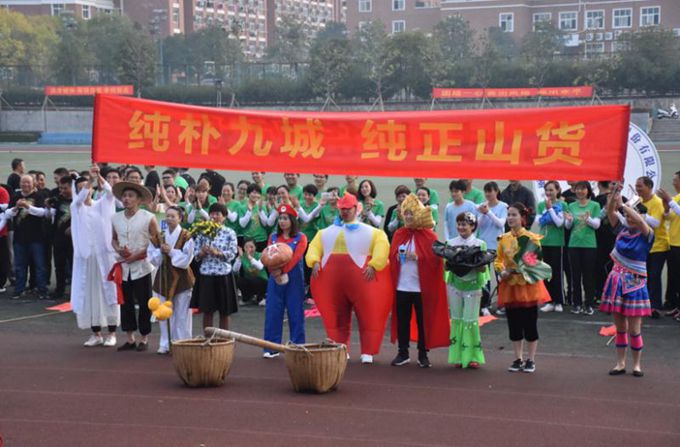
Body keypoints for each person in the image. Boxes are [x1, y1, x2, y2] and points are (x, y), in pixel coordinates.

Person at [306, 193, 392, 364]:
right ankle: (340, 348)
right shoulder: (325, 232)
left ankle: (368, 351)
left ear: (356, 209)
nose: (345, 212)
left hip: (363, 280)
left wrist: (374, 264)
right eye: (342, 209)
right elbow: (314, 247)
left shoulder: (373, 232)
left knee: (369, 314)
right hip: (334, 281)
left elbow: (382, 246)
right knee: (337, 316)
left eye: (348, 209)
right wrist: (314, 260)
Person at [389, 194, 449, 368]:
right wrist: (396, 257)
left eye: (411, 213)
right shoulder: (399, 234)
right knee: (402, 320)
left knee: (424, 321)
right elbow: (392, 256)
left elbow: (436, 261)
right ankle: (403, 352)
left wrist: (418, 257)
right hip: (402, 286)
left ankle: (423, 353)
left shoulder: (430, 236)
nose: (408, 217)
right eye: (406, 213)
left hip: (422, 288)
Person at [600, 183, 653, 377]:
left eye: (632, 215)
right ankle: (620, 363)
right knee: (620, 328)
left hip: (635, 284)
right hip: (616, 282)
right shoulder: (622, 231)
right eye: (627, 216)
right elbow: (610, 212)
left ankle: (637, 365)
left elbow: (638, 219)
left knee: (634, 329)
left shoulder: (647, 235)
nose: (629, 218)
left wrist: (624, 205)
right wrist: (614, 194)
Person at [495, 202, 551, 373]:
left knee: (530, 323)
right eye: (509, 215)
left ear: (522, 217)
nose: (510, 218)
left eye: (514, 215)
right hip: (510, 286)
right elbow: (498, 259)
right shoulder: (503, 238)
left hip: (528, 287)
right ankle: (517, 358)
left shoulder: (532, 238)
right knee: (514, 324)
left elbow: (536, 261)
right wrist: (502, 270)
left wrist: (520, 267)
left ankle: (531, 359)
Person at [70, 168, 119, 347]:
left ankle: (112, 333)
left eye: (88, 187)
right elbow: (80, 199)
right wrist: (90, 180)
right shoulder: (76, 207)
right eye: (81, 188)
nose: (86, 190)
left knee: (109, 294)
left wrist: (99, 177)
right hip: (86, 260)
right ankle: (96, 334)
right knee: (89, 295)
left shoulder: (101, 205)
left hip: (104, 259)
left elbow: (111, 194)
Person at [111, 181, 160, 352]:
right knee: (126, 303)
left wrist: (137, 255)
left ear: (139, 199)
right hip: (124, 266)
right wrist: (118, 249)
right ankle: (130, 338)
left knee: (145, 302)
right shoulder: (115, 218)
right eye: (124, 196)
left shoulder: (148, 217)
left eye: (130, 196)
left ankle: (144, 337)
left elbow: (156, 241)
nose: (126, 199)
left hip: (142, 266)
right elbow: (114, 239)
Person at [262, 204, 308, 358]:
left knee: (296, 313)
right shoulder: (273, 237)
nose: (282, 221)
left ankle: (297, 346)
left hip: (294, 280)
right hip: (275, 279)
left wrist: (283, 271)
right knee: (273, 312)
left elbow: (296, 258)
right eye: (280, 218)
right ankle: (271, 347)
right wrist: (274, 272)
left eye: (285, 218)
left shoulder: (300, 238)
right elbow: (268, 256)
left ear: (292, 220)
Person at [148, 206, 195, 355]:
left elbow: (187, 258)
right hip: (163, 276)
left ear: (180, 218)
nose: (169, 219)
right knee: (163, 311)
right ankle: (165, 343)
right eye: (167, 216)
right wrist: (159, 252)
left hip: (182, 278)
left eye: (173, 216)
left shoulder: (187, 236)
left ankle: (182, 342)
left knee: (182, 313)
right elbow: (152, 256)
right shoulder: (160, 236)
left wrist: (171, 252)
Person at [446, 212, 490, 369]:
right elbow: (446, 267)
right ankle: (458, 356)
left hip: (473, 286)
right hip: (455, 286)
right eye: (459, 224)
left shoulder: (480, 244)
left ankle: (472, 356)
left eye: (464, 224)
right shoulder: (450, 243)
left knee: (470, 321)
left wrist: (477, 264)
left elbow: (483, 269)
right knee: (457, 319)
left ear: (473, 226)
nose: (461, 227)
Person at [190, 203, 239, 332]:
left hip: (223, 275)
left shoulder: (229, 232)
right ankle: (208, 339)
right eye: (212, 213)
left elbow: (232, 254)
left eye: (218, 214)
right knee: (207, 311)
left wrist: (218, 253)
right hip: (206, 274)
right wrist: (202, 252)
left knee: (225, 311)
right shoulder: (203, 232)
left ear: (224, 217)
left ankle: (224, 339)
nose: (214, 216)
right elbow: (195, 255)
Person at [6, 174, 49, 300]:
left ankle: (42, 290)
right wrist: (16, 207)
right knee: (20, 266)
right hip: (20, 238)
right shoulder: (15, 196)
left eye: (28, 182)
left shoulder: (39, 196)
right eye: (23, 182)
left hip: (37, 238)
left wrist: (27, 207)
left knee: (39, 266)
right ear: (20, 184)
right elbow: (7, 214)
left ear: (33, 183)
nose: (25, 185)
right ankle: (19, 290)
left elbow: (43, 213)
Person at [564, 181, 601, 316]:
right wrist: (568, 220)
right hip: (574, 244)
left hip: (589, 245)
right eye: (578, 189)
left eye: (583, 189)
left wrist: (588, 219)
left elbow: (597, 225)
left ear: (588, 190)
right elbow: (568, 226)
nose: (580, 191)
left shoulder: (595, 205)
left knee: (588, 276)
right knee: (575, 276)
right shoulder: (571, 205)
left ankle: (589, 304)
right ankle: (577, 304)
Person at [635, 176, 670, 318]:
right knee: (644, 276)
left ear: (649, 187)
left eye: (640, 186)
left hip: (658, 246)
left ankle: (655, 306)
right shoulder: (639, 201)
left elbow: (655, 223)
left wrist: (641, 214)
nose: (637, 188)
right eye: (636, 186)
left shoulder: (657, 202)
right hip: (644, 246)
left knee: (654, 277)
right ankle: (644, 305)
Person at [475, 182, 508, 316]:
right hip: (484, 245)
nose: (488, 194)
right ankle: (485, 304)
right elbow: (477, 225)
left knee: (501, 276)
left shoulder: (503, 206)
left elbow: (501, 223)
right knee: (485, 277)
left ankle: (502, 303)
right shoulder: (482, 206)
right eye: (486, 191)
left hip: (498, 246)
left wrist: (488, 212)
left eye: (490, 191)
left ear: (496, 191)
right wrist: (483, 213)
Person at [536, 181, 566, 313]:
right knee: (546, 272)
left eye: (551, 190)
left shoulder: (562, 204)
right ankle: (549, 300)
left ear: (557, 190)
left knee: (557, 272)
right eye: (547, 190)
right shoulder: (540, 204)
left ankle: (558, 301)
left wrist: (550, 210)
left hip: (557, 242)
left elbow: (559, 223)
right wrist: (548, 213)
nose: (548, 193)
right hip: (544, 241)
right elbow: (538, 221)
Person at [657, 172, 680, 319]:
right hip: (673, 242)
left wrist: (669, 201)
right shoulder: (676, 198)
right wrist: (666, 207)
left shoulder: (674, 199)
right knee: (675, 277)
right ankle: (676, 306)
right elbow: (669, 217)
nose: (673, 183)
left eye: (675, 180)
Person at [49, 175, 74, 301]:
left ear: (72, 187)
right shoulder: (58, 200)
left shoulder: (77, 201)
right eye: (61, 188)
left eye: (65, 188)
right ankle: (59, 289)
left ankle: (75, 292)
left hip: (74, 240)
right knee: (59, 266)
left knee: (74, 266)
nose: (62, 191)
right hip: (59, 239)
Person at [234, 239, 268, 306]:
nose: (249, 249)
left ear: (255, 247)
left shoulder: (260, 255)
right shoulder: (242, 256)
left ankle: (262, 298)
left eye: (251, 247)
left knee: (256, 280)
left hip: (262, 281)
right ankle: (248, 298)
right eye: (246, 247)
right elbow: (235, 270)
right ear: (243, 248)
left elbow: (260, 267)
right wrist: (239, 258)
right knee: (240, 280)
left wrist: (250, 258)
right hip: (250, 281)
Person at [238, 183, 269, 251]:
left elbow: (265, 224)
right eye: (254, 193)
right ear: (248, 194)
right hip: (248, 240)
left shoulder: (262, 206)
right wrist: (249, 211)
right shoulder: (242, 207)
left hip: (261, 239)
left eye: (258, 193)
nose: (256, 195)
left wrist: (260, 210)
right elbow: (242, 225)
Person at [0, 183, 9, 293]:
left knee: (2, 259)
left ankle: (1, 283)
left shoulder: (2, 191)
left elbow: (6, 208)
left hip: (1, 233)